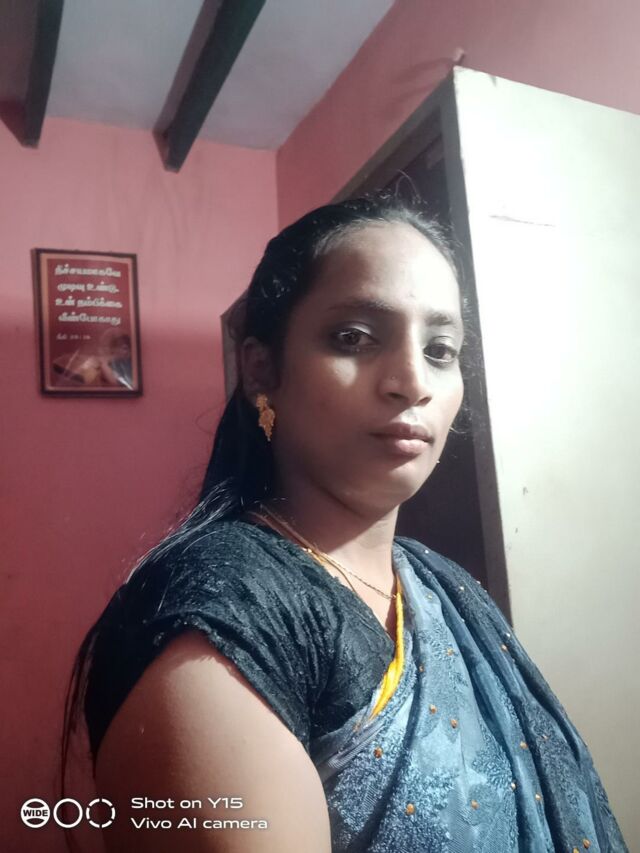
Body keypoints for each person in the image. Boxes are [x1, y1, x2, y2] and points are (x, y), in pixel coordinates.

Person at [62, 195, 627, 852]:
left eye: (440, 349)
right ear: (262, 369)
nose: (412, 381)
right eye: (354, 337)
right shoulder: (223, 620)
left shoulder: (441, 584)